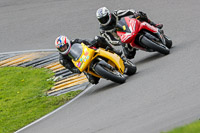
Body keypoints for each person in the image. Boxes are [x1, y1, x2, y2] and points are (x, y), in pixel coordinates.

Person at [96, 7, 163, 59]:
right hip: (124, 38)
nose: (103, 20)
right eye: (101, 19)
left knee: (140, 15)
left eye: (105, 18)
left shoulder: (115, 14)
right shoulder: (103, 30)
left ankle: (153, 25)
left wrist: (135, 13)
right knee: (129, 55)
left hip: (129, 27)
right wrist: (119, 41)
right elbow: (111, 41)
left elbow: (129, 11)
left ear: (109, 14)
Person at [55, 35, 122, 84]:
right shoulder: (62, 59)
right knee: (93, 81)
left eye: (64, 46)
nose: (63, 49)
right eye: (61, 48)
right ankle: (107, 74)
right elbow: (71, 68)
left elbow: (84, 41)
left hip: (88, 53)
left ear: (67, 43)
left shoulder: (74, 42)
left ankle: (114, 51)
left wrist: (91, 42)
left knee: (98, 39)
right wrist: (77, 70)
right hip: (83, 64)